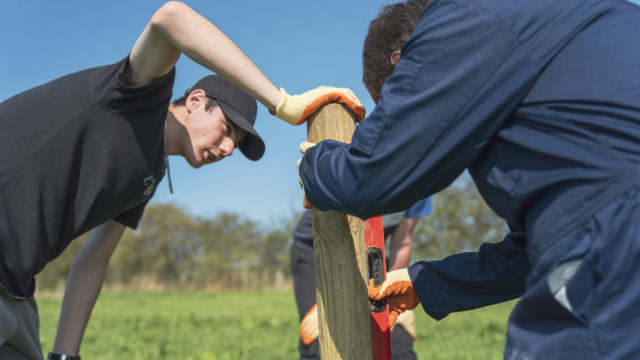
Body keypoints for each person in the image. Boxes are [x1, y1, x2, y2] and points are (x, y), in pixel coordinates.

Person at [0, 2, 365, 359]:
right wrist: (282, 102)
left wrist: (66, 354)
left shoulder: (150, 172)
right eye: (226, 130)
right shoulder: (137, 98)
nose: (226, 149)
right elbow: (171, 18)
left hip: (16, 291)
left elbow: (93, 260)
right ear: (194, 100)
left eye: (235, 145)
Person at [296, 0, 640, 358]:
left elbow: (373, 175)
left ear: (403, 65)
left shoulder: (460, 18)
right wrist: (425, 281)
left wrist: (313, 166)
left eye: (391, 109)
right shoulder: (565, 29)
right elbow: (534, 249)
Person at [291, 198, 432, 360]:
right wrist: (331, 304)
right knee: (319, 338)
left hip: (370, 253)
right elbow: (338, 230)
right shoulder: (355, 174)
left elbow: (401, 243)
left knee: (397, 342)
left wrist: (396, 283)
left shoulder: (422, 187)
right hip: (318, 248)